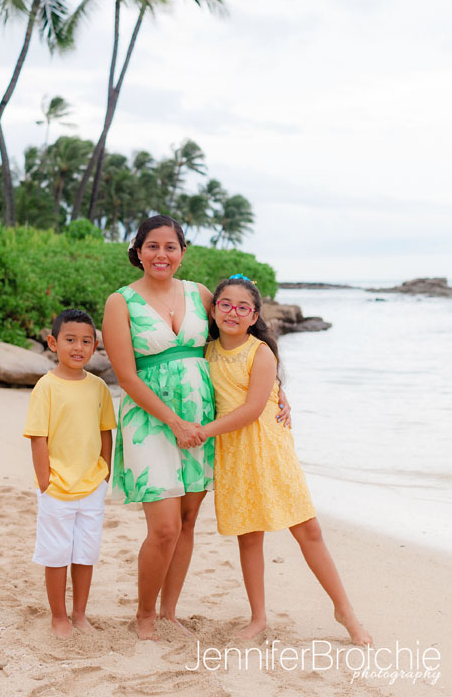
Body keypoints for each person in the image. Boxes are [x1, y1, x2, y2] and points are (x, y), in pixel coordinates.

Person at [102, 216, 292, 640]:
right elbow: (127, 377)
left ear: (182, 252)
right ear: (137, 252)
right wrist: (174, 422)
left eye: (171, 247)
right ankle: (145, 615)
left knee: (188, 520)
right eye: (152, 246)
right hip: (151, 420)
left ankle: (169, 612)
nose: (161, 255)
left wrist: (277, 389)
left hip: (201, 418)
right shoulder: (121, 302)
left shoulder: (200, 294)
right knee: (164, 526)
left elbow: (241, 337)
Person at [194, 276, 372, 645]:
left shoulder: (260, 351)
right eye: (224, 304)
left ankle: (345, 612)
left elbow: (253, 408)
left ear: (255, 315)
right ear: (213, 310)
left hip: (269, 449)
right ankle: (258, 618)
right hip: (234, 454)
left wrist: (203, 431)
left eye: (243, 307)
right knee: (249, 536)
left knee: (308, 529)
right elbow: (192, 288)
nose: (232, 312)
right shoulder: (206, 351)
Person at [23, 308, 116, 637]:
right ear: (53, 343)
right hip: (57, 488)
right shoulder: (46, 387)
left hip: (92, 486)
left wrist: (105, 475)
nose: (78, 347)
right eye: (70, 340)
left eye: (86, 341)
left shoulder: (99, 388)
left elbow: (106, 433)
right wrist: (45, 481)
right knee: (57, 553)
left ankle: (79, 614)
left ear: (95, 347)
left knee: (85, 553)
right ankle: (59, 617)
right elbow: (38, 437)